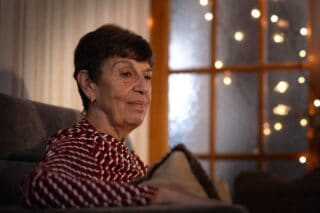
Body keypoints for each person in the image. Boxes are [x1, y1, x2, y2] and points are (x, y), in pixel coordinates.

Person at [22, 24, 220, 208]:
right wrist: (161, 197)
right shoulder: (82, 143)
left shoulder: (126, 155)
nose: (143, 87)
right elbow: (40, 185)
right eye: (126, 74)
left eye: (147, 76)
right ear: (89, 84)